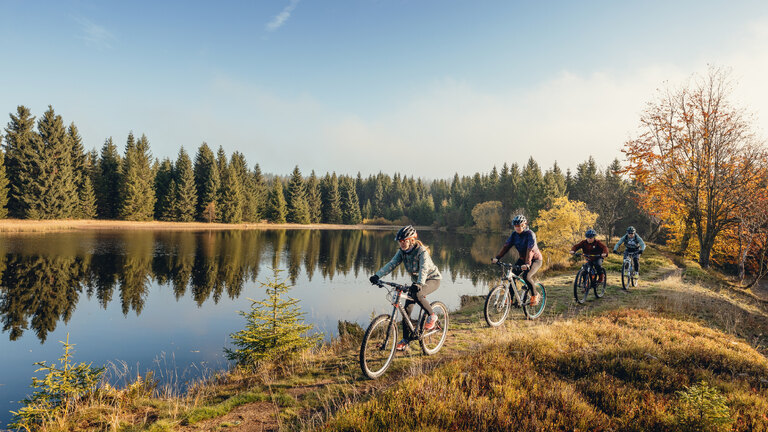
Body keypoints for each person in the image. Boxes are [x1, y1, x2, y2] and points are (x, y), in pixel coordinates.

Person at [369, 225, 442, 351]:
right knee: (406, 310)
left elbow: (424, 269)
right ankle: (405, 340)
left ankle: (432, 315)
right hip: (417, 282)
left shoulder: (422, 252)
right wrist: (377, 275)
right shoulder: (402, 252)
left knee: (417, 295)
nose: (402, 244)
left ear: (412, 240)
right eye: (400, 241)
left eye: (404, 241)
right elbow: (391, 264)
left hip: (432, 279)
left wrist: (419, 284)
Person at [491, 214, 543, 305]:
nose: (517, 228)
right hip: (523, 259)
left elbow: (530, 250)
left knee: (526, 276)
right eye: (515, 226)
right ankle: (510, 299)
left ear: (524, 224)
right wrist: (497, 258)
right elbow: (506, 246)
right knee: (512, 277)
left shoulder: (530, 234)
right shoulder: (514, 235)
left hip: (535, 260)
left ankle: (535, 295)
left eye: (519, 226)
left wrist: (527, 263)